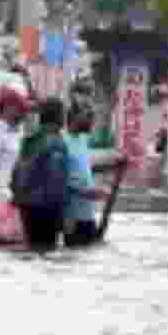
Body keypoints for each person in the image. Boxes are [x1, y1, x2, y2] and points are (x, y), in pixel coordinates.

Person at [10, 98, 74, 254]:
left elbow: (16, 172)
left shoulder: (29, 140)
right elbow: (56, 182)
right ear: (59, 117)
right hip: (46, 208)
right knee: (47, 252)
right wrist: (65, 214)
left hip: (26, 207)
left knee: (32, 250)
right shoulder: (56, 143)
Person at [62, 104, 111, 248]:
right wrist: (87, 192)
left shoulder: (83, 139)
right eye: (88, 116)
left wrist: (113, 164)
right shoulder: (62, 142)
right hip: (71, 218)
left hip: (88, 214)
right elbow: (59, 182)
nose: (92, 120)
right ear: (75, 118)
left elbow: (83, 169)